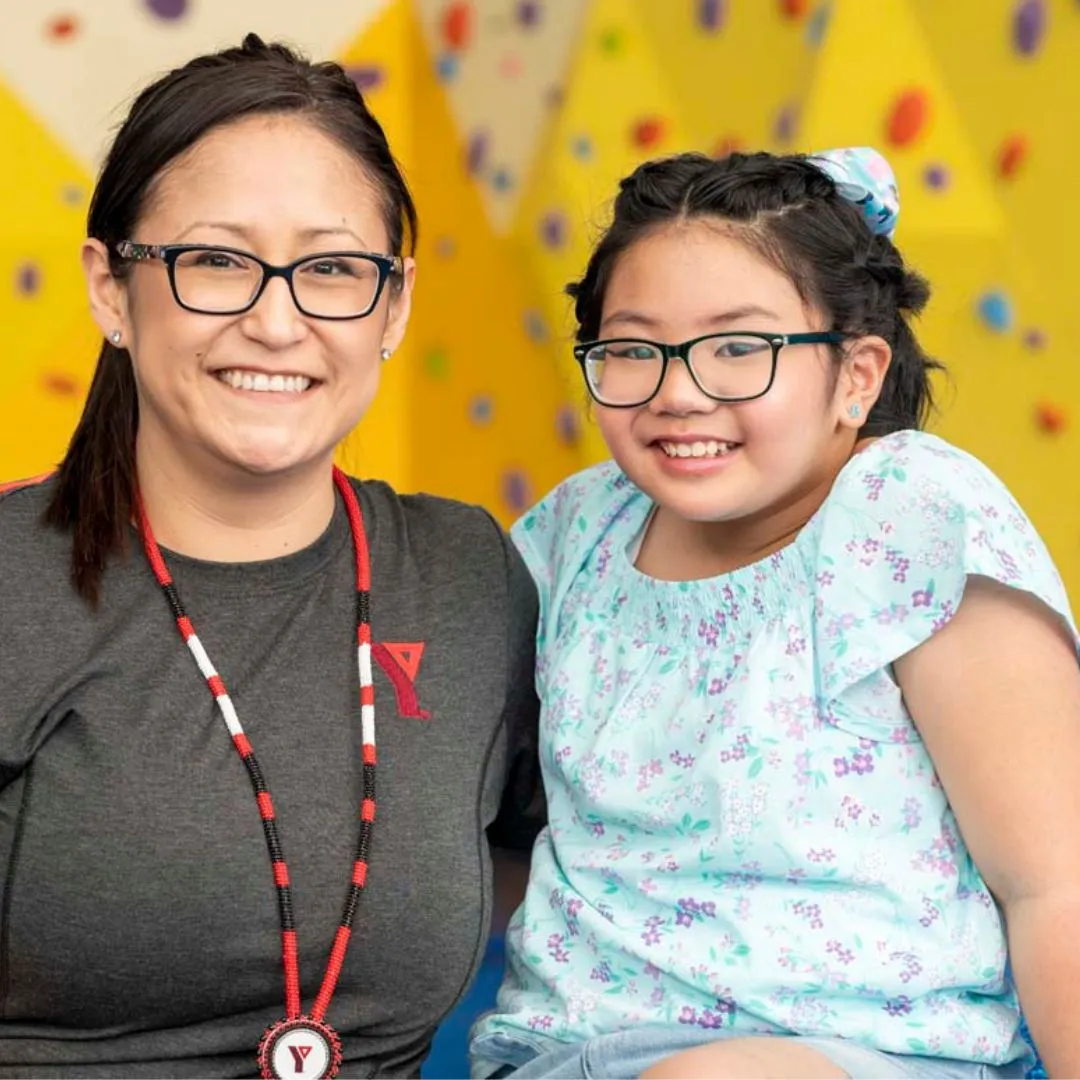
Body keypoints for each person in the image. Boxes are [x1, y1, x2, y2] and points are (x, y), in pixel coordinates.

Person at [469, 147, 1080, 1079]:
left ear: (856, 376)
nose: (679, 392)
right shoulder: (575, 532)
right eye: (633, 349)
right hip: (563, 1055)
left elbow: (1054, 882)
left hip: (865, 1055)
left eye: (739, 350)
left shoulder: (907, 515)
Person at [0, 34, 542, 1079]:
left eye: (333, 268)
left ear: (394, 305)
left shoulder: (468, 574)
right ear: (111, 288)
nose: (276, 319)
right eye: (215, 261)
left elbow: (584, 853)